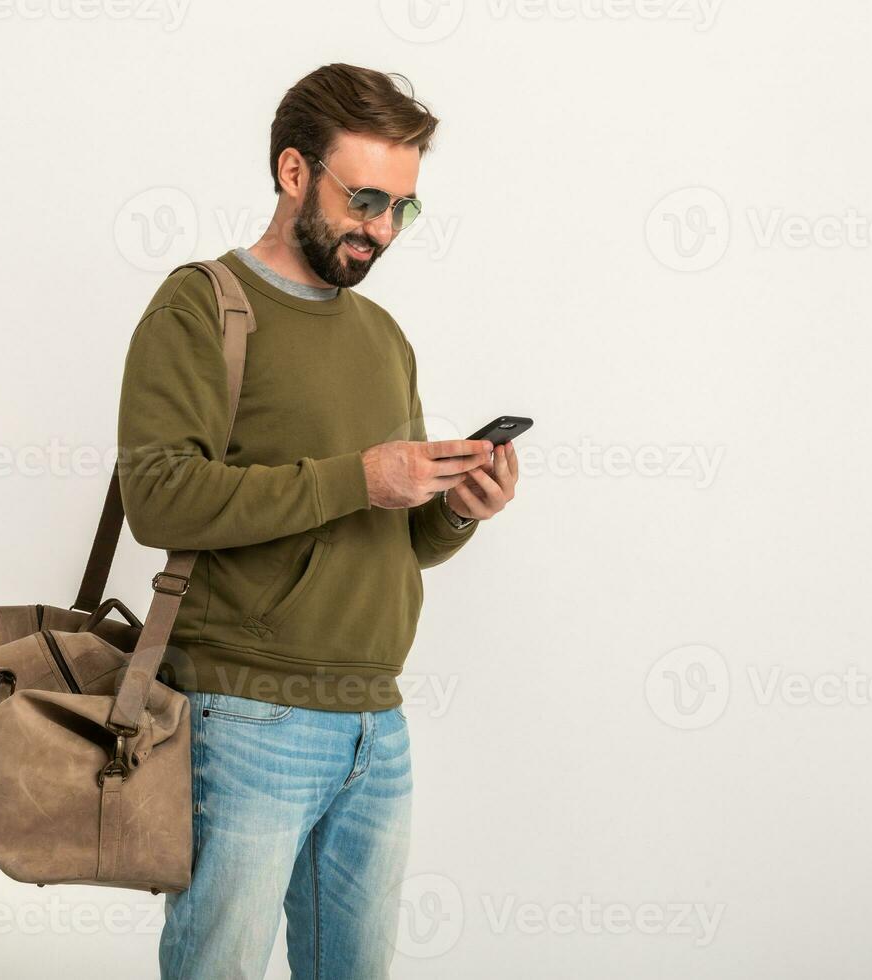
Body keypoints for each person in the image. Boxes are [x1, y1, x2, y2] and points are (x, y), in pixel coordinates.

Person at [116, 62, 520, 980]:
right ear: (294, 173)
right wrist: (357, 476)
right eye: (365, 198)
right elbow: (159, 498)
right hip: (247, 715)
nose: (382, 228)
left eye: (402, 208)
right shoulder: (201, 306)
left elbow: (398, 533)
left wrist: (459, 510)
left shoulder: (383, 337)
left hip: (376, 722)